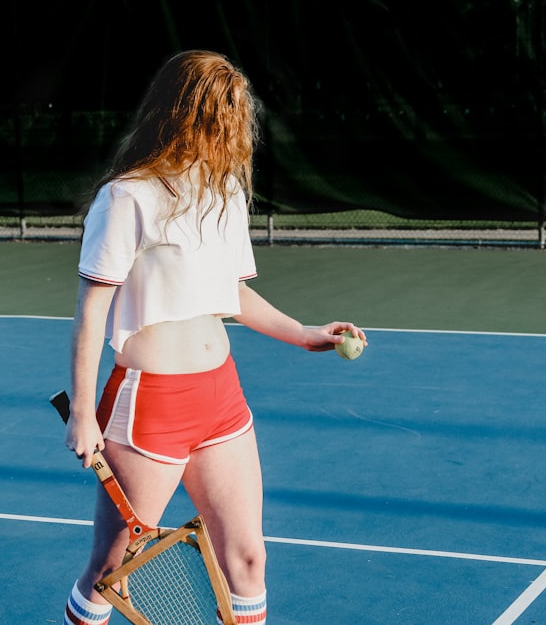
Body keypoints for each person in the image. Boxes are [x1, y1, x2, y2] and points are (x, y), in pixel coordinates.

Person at [60, 49, 366, 625]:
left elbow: (231, 293)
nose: (235, 125)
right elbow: (92, 309)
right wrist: (83, 411)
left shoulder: (224, 194)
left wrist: (304, 334)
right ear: (183, 113)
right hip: (149, 405)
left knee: (249, 558)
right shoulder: (126, 198)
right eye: (223, 112)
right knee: (110, 570)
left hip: (222, 400)